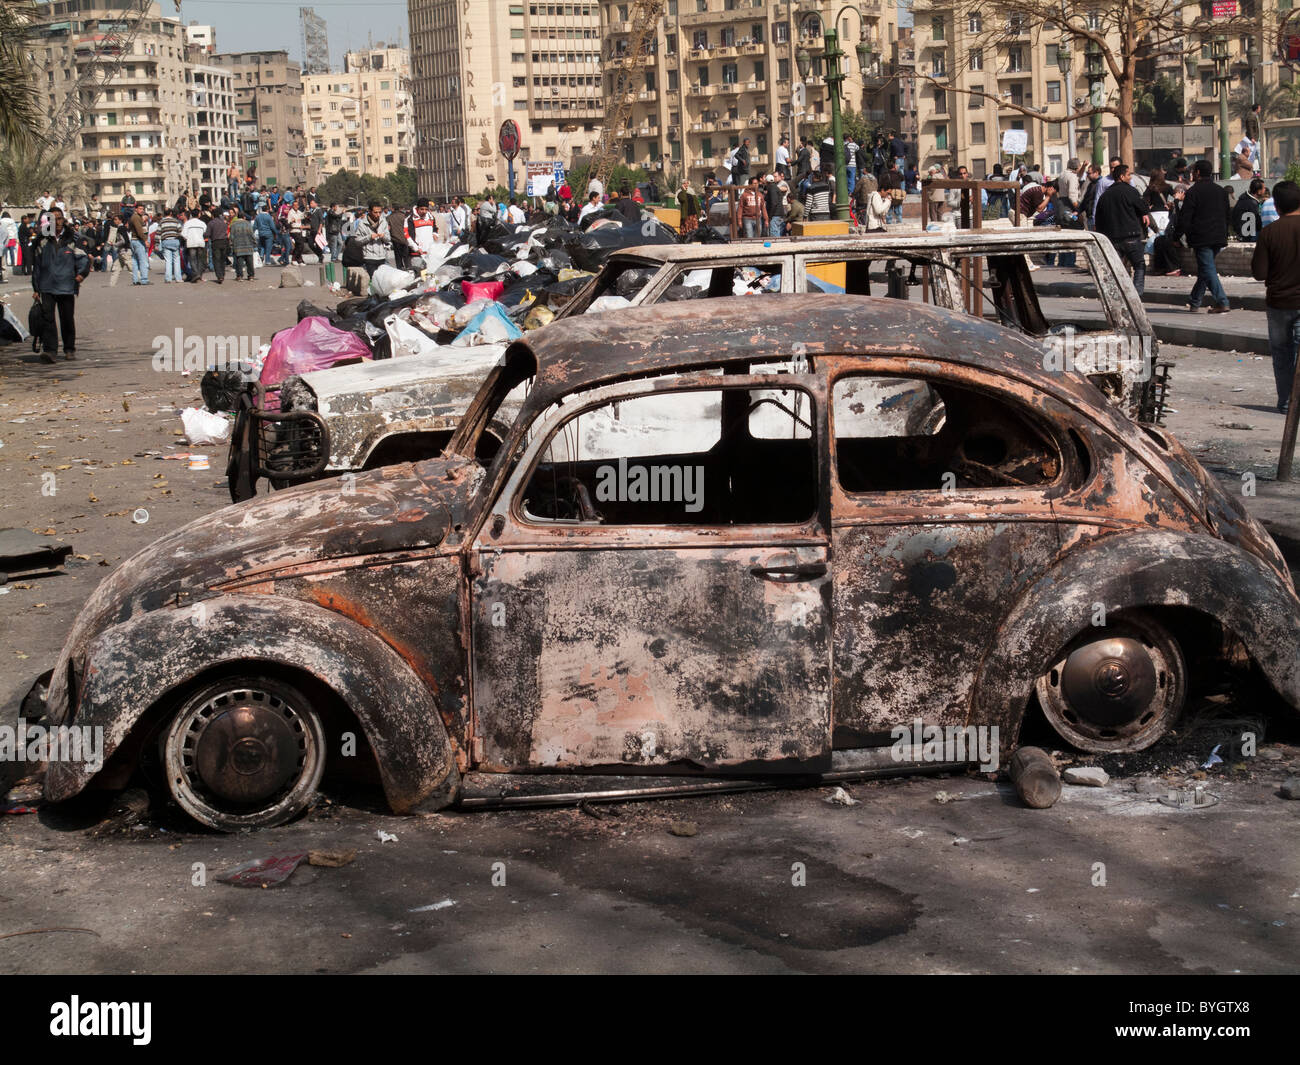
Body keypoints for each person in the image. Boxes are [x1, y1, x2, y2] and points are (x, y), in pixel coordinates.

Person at [1252, 178, 1300, 414]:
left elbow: (1259, 273)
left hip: (1279, 303)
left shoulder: (1269, 233)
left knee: (1282, 356)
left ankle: (1285, 402)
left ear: (1277, 206)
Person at [30, 207, 89, 363]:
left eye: (60, 218)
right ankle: (50, 351)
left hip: (66, 285)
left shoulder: (72, 238)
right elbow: (36, 266)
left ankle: (69, 349)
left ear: (64, 220)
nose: (57, 221)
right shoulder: (42, 240)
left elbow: (83, 259)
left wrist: (81, 275)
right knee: (48, 319)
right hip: (46, 285)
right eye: (53, 218)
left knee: (67, 318)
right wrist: (36, 288)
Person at [1172, 158, 1231, 313]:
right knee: (1206, 269)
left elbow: (1185, 218)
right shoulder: (1221, 191)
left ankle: (1222, 301)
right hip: (1218, 237)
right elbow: (1227, 214)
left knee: (1208, 269)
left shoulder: (1193, 192)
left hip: (1201, 238)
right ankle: (1195, 300)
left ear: (1197, 173)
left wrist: (1176, 236)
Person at [1094, 164, 1151, 296]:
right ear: (1121, 176)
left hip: (1112, 239)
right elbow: (1143, 208)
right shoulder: (1131, 191)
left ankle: (1118, 294)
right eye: (1128, 174)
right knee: (1139, 265)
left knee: (1116, 269)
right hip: (1131, 236)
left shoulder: (1105, 195)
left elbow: (1099, 219)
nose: (1130, 177)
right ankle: (1136, 295)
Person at [355, 200, 391, 276]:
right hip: (369, 258)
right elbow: (357, 241)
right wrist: (369, 237)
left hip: (382, 257)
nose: (378, 215)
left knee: (382, 281)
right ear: (370, 212)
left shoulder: (383, 222)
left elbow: (388, 238)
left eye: (380, 212)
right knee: (373, 281)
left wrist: (383, 236)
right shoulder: (362, 224)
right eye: (375, 212)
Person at [155, 207, 183, 283]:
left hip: (166, 242)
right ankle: (178, 278)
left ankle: (168, 279)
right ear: (171, 213)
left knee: (168, 261)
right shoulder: (176, 221)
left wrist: (157, 244)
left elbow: (158, 233)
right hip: (175, 241)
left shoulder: (161, 222)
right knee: (177, 260)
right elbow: (180, 232)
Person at [229, 208, 257, 281]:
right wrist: (255, 243)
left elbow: (231, 236)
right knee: (249, 262)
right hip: (248, 245)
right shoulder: (248, 224)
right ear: (244, 217)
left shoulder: (234, 225)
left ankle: (240, 276)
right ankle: (251, 276)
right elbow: (252, 235)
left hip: (238, 246)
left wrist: (231, 245)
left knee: (239, 262)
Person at [127, 203, 150, 284]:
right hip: (137, 240)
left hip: (133, 240)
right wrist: (145, 240)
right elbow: (139, 230)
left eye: (143, 209)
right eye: (140, 209)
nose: (142, 210)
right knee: (142, 260)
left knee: (135, 261)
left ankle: (135, 279)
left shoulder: (135, 217)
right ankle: (144, 279)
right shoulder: (136, 217)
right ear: (135, 209)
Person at [206, 209, 231, 284]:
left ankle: (219, 276)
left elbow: (207, 234)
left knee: (216, 260)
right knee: (222, 259)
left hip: (215, 242)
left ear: (212, 215)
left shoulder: (211, 223)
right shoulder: (223, 223)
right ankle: (222, 274)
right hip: (224, 242)